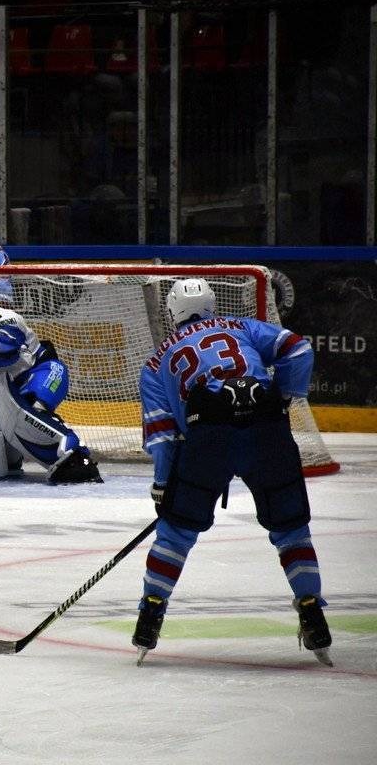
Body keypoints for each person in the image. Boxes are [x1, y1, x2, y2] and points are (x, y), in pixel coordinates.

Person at [132, 278, 332, 666]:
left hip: (208, 438)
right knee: (290, 529)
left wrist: (163, 486)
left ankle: (150, 612)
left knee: (176, 532)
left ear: (172, 313)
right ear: (212, 304)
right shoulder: (242, 327)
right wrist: (282, 398)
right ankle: (311, 608)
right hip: (265, 430)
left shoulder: (156, 363)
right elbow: (298, 349)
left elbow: (162, 436)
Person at [0, 299, 102, 483]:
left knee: (30, 408)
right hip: (5, 393)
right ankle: (13, 460)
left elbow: (8, 339)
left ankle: (76, 456)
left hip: (44, 372)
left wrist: (0, 343)